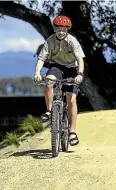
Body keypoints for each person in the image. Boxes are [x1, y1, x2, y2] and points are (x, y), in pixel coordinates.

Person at [34, 15, 85, 146]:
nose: (61, 32)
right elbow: (41, 58)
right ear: (54, 29)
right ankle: (50, 110)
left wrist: (79, 74)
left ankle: (72, 132)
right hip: (56, 66)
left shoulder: (72, 41)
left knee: (72, 100)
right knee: (49, 82)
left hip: (71, 69)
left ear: (67, 29)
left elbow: (80, 59)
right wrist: (37, 72)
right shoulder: (50, 41)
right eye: (58, 29)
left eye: (63, 29)